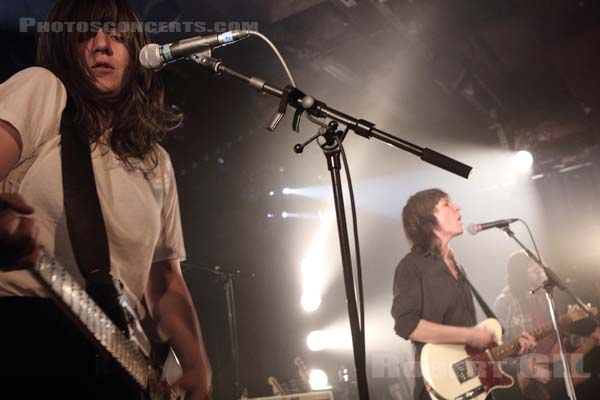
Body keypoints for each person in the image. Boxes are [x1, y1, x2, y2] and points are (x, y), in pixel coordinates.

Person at [0, 0, 211, 398]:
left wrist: (197, 365)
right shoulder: (43, 91)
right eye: (86, 34)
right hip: (23, 335)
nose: (102, 45)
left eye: (117, 36)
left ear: (135, 54)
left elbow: (164, 280)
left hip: (117, 363)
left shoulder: (156, 161)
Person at [391, 188, 537, 400]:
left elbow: (472, 347)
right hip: (439, 384)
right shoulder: (412, 265)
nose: (457, 207)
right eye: (446, 204)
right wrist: (469, 335)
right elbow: (406, 324)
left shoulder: (456, 267)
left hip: (471, 384)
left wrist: (511, 348)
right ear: (428, 221)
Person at [494, 250, 600, 400]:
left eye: (541, 268)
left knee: (593, 377)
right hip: (533, 369)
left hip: (555, 357)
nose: (541, 273)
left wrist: (592, 338)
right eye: (535, 270)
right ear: (521, 274)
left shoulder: (544, 295)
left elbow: (558, 335)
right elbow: (500, 350)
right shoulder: (505, 302)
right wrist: (528, 368)